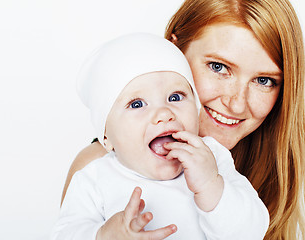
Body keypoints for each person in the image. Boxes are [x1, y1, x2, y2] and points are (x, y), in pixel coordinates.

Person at [61, 0, 305, 239]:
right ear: (173, 51)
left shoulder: (227, 163)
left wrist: (211, 185)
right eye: (218, 67)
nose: (237, 103)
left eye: (264, 80)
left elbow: (249, 230)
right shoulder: (97, 169)